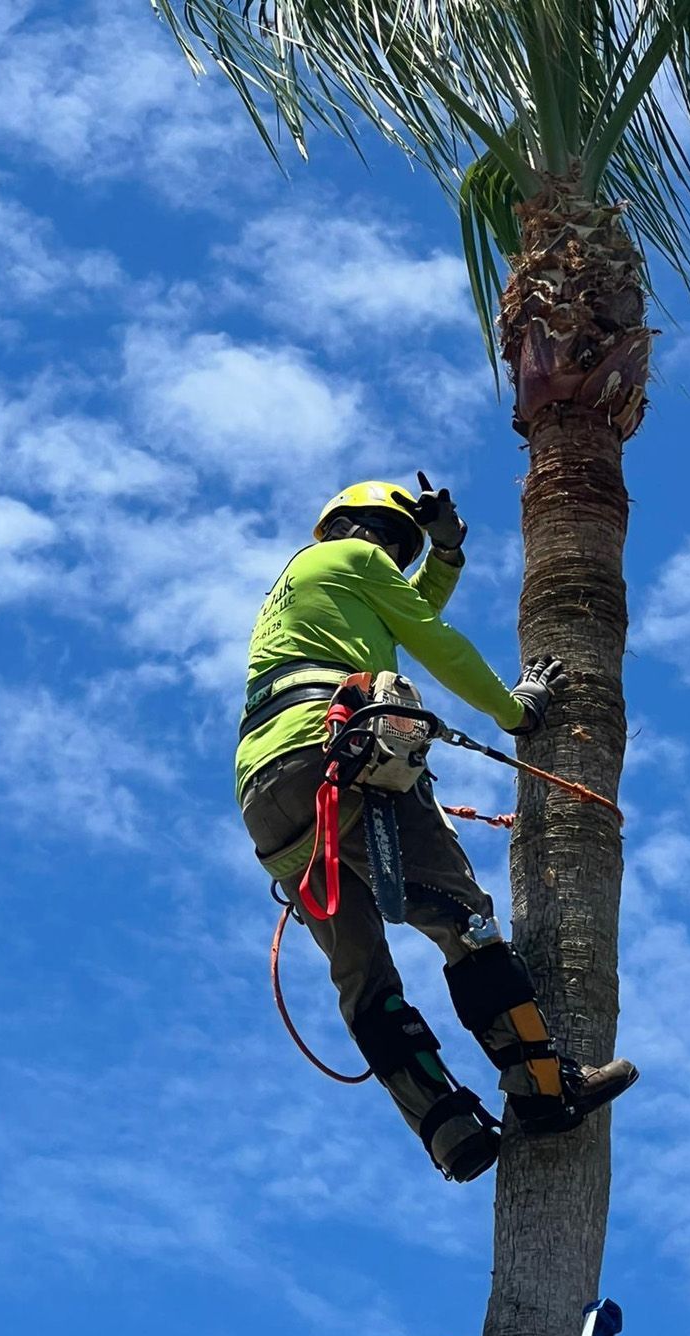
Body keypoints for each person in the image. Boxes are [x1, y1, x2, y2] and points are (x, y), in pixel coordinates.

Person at [237, 476, 637, 1183]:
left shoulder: (307, 586)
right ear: (370, 533)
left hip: (268, 789)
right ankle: (545, 1086)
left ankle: (449, 1129)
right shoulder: (353, 561)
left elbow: (402, 612)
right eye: (398, 544)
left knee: (362, 979)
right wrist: (516, 712)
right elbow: (431, 638)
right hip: (340, 755)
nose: (393, 557)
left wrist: (446, 557)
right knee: (465, 921)